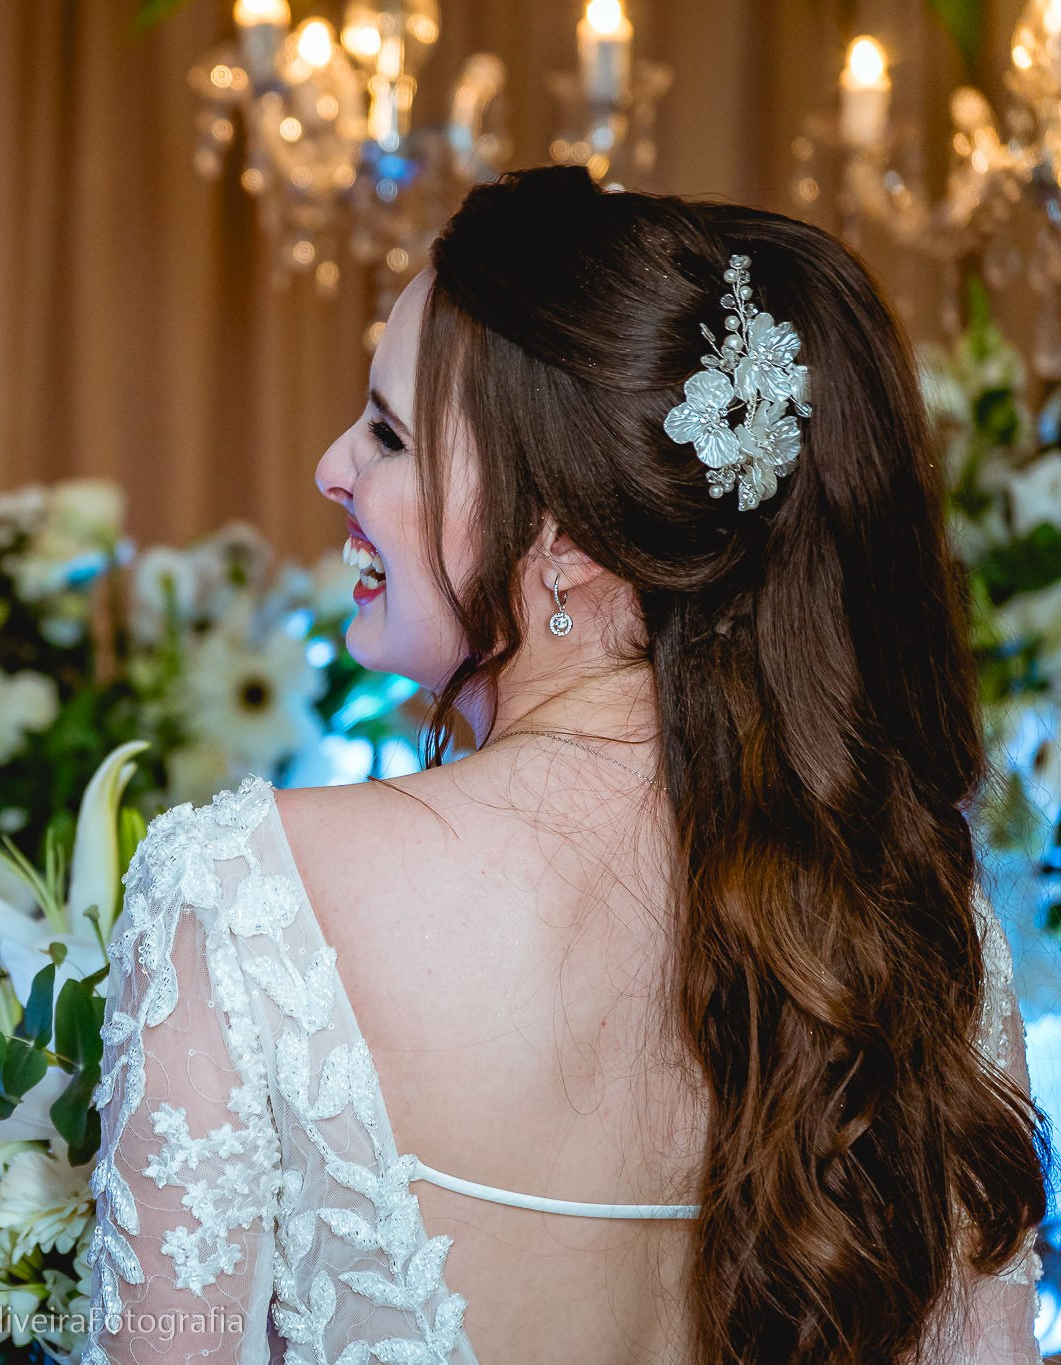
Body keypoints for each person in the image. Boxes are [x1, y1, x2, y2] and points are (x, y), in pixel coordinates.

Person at [81, 166, 1051, 1365]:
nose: (335, 467)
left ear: (568, 542)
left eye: (386, 432)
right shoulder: (911, 914)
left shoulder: (243, 898)